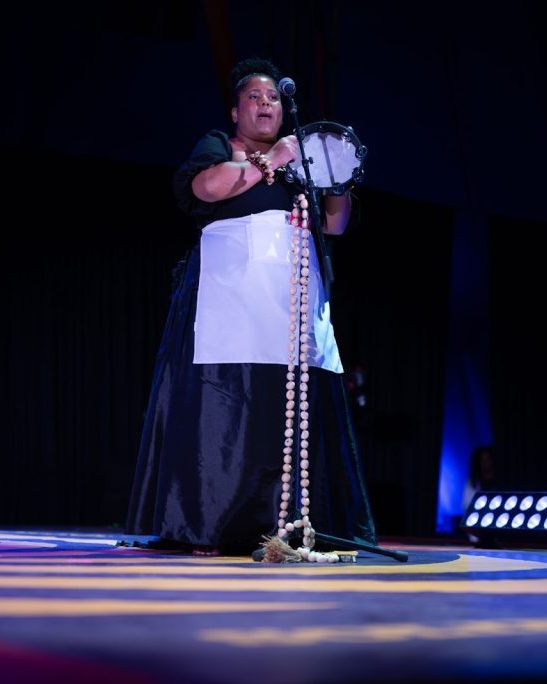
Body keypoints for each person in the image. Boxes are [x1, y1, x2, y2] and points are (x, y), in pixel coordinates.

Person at [125, 57, 377, 556]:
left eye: (274, 98)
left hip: (294, 308)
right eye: (255, 98)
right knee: (232, 409)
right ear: (237, 112)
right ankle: (212, 524)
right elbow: (207, 188)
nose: (267, 104)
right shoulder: (223, 146)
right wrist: (276, 158)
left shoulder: (300, 162)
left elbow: (335, 225)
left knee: (290, 415)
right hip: (232, 305)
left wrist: (337, 177)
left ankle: (299, 525)